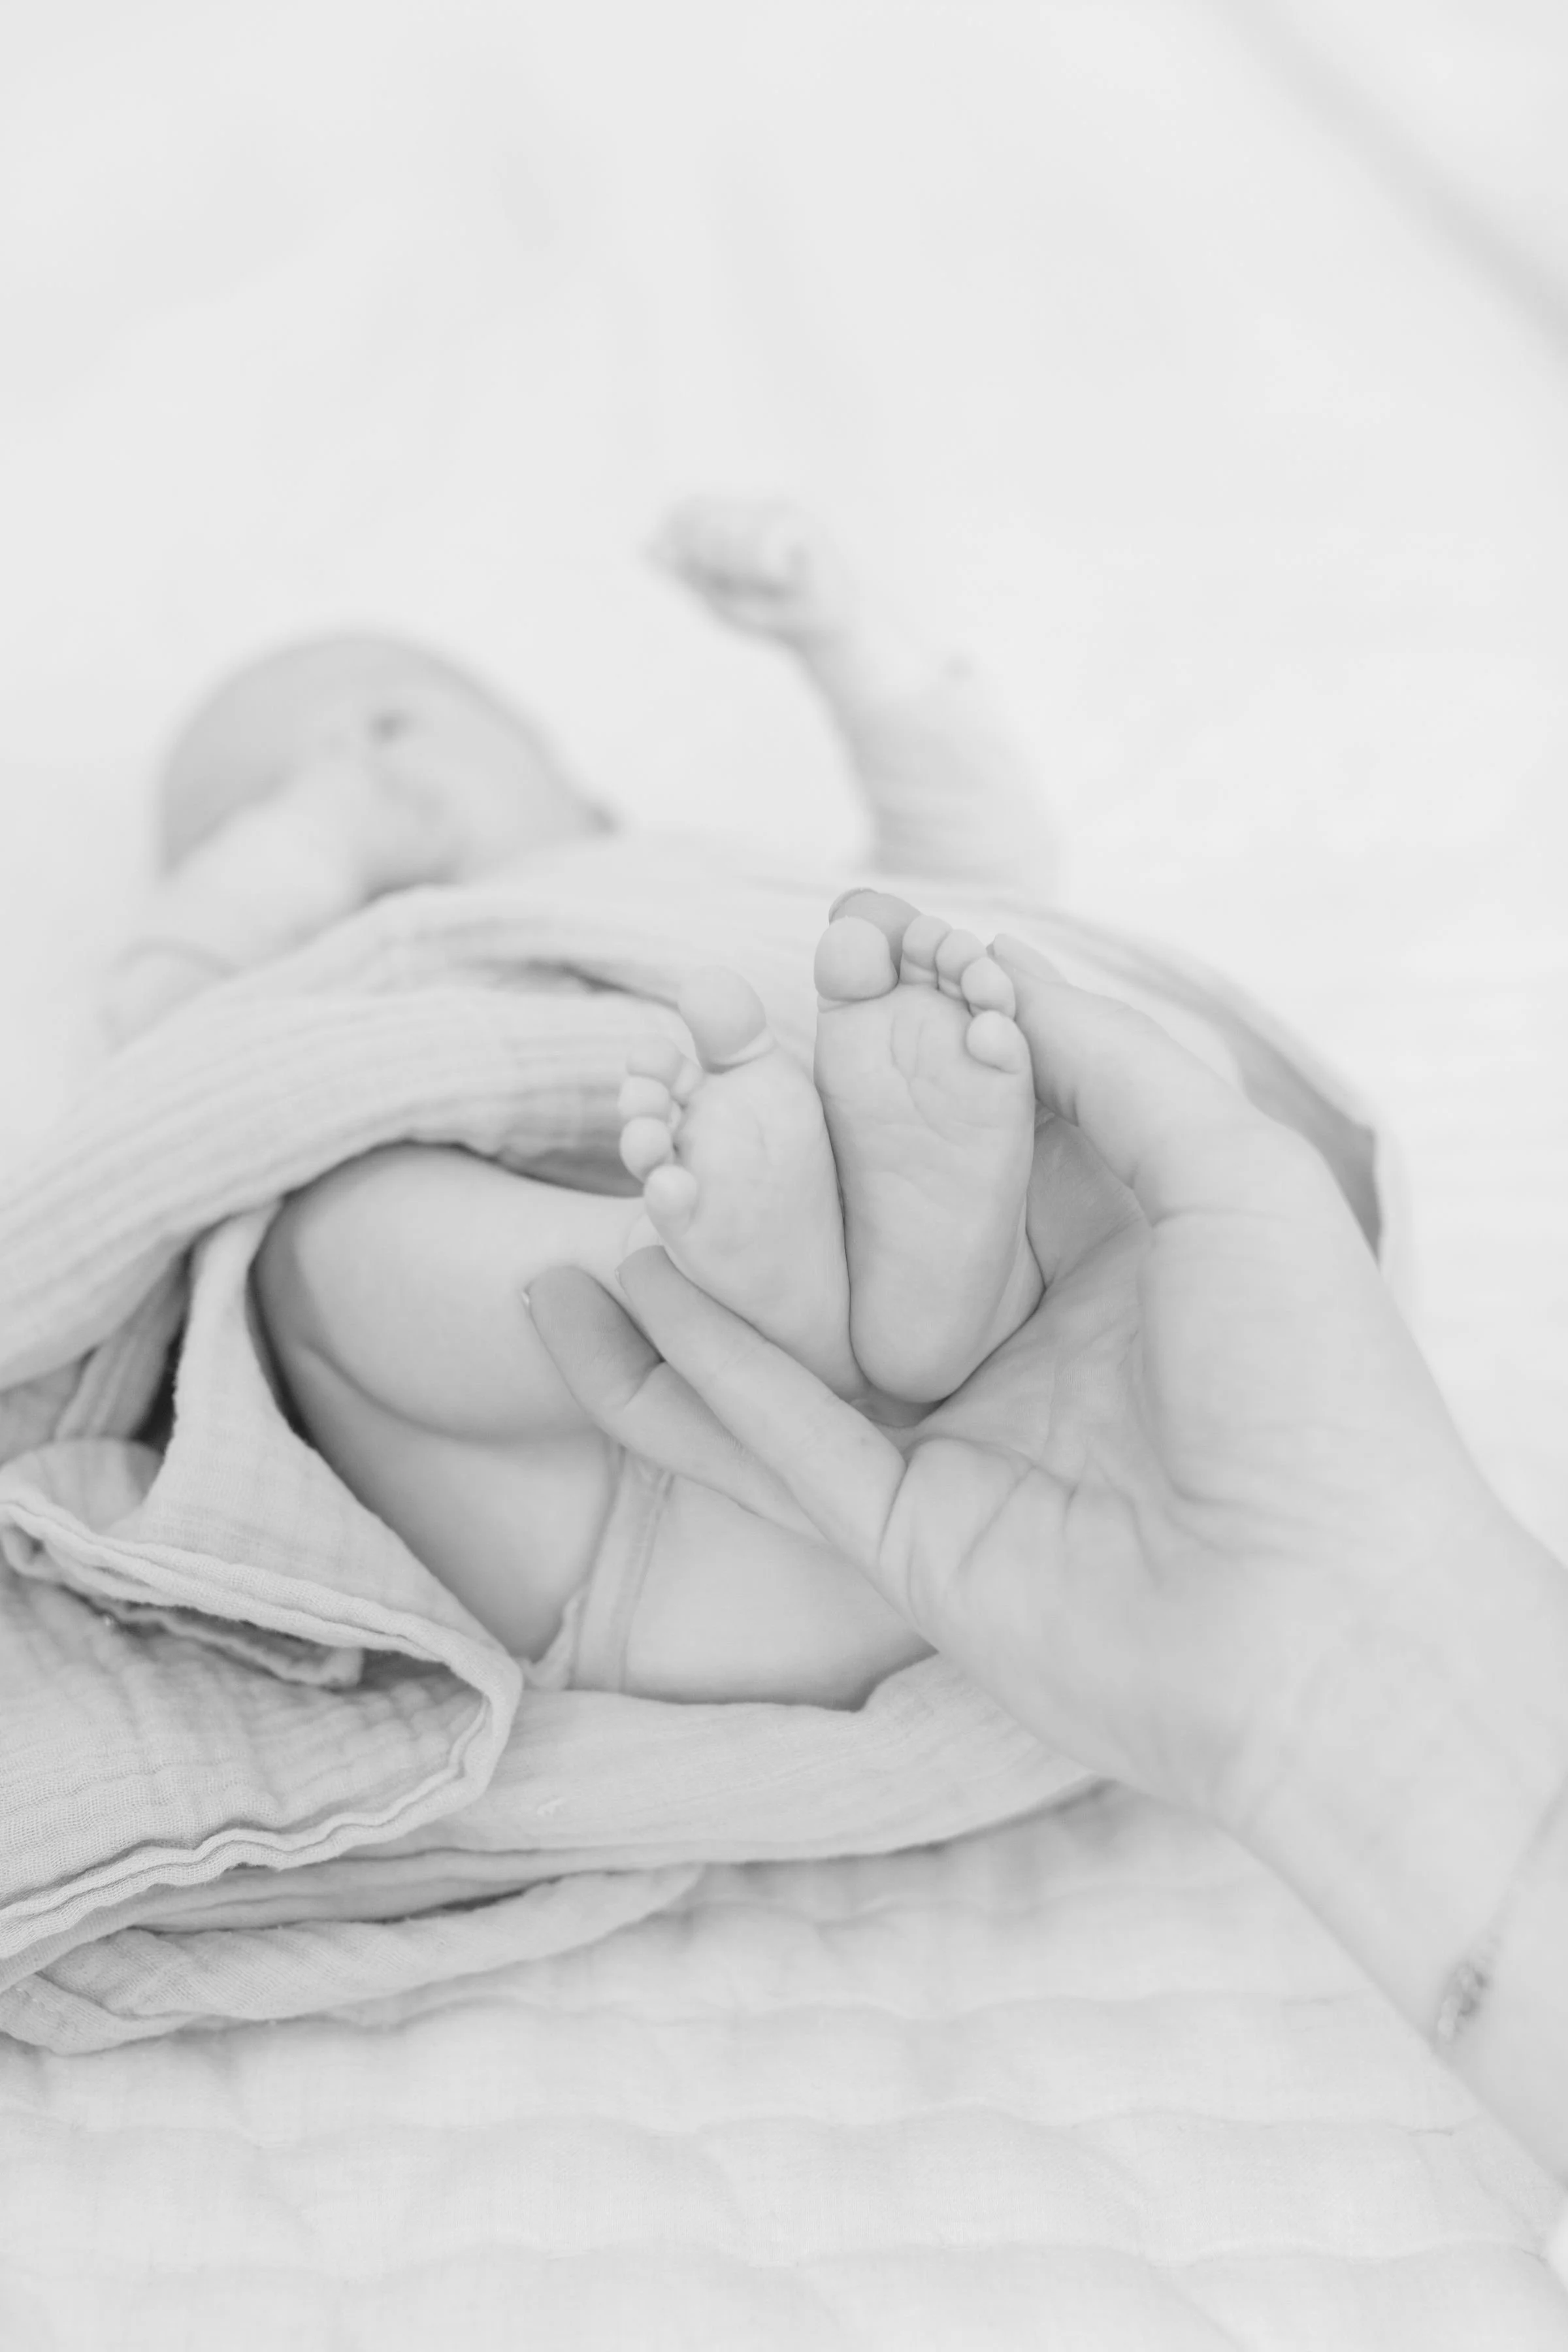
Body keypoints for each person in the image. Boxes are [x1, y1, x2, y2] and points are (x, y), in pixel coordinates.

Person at [525, 918, 1568, 2183]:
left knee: (395, 1280)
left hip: (939, 1552)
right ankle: (855, 1290)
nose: (382, 748)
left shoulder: (550, 875)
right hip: (962, 1537)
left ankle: (831, 1291)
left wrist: (308, 848)